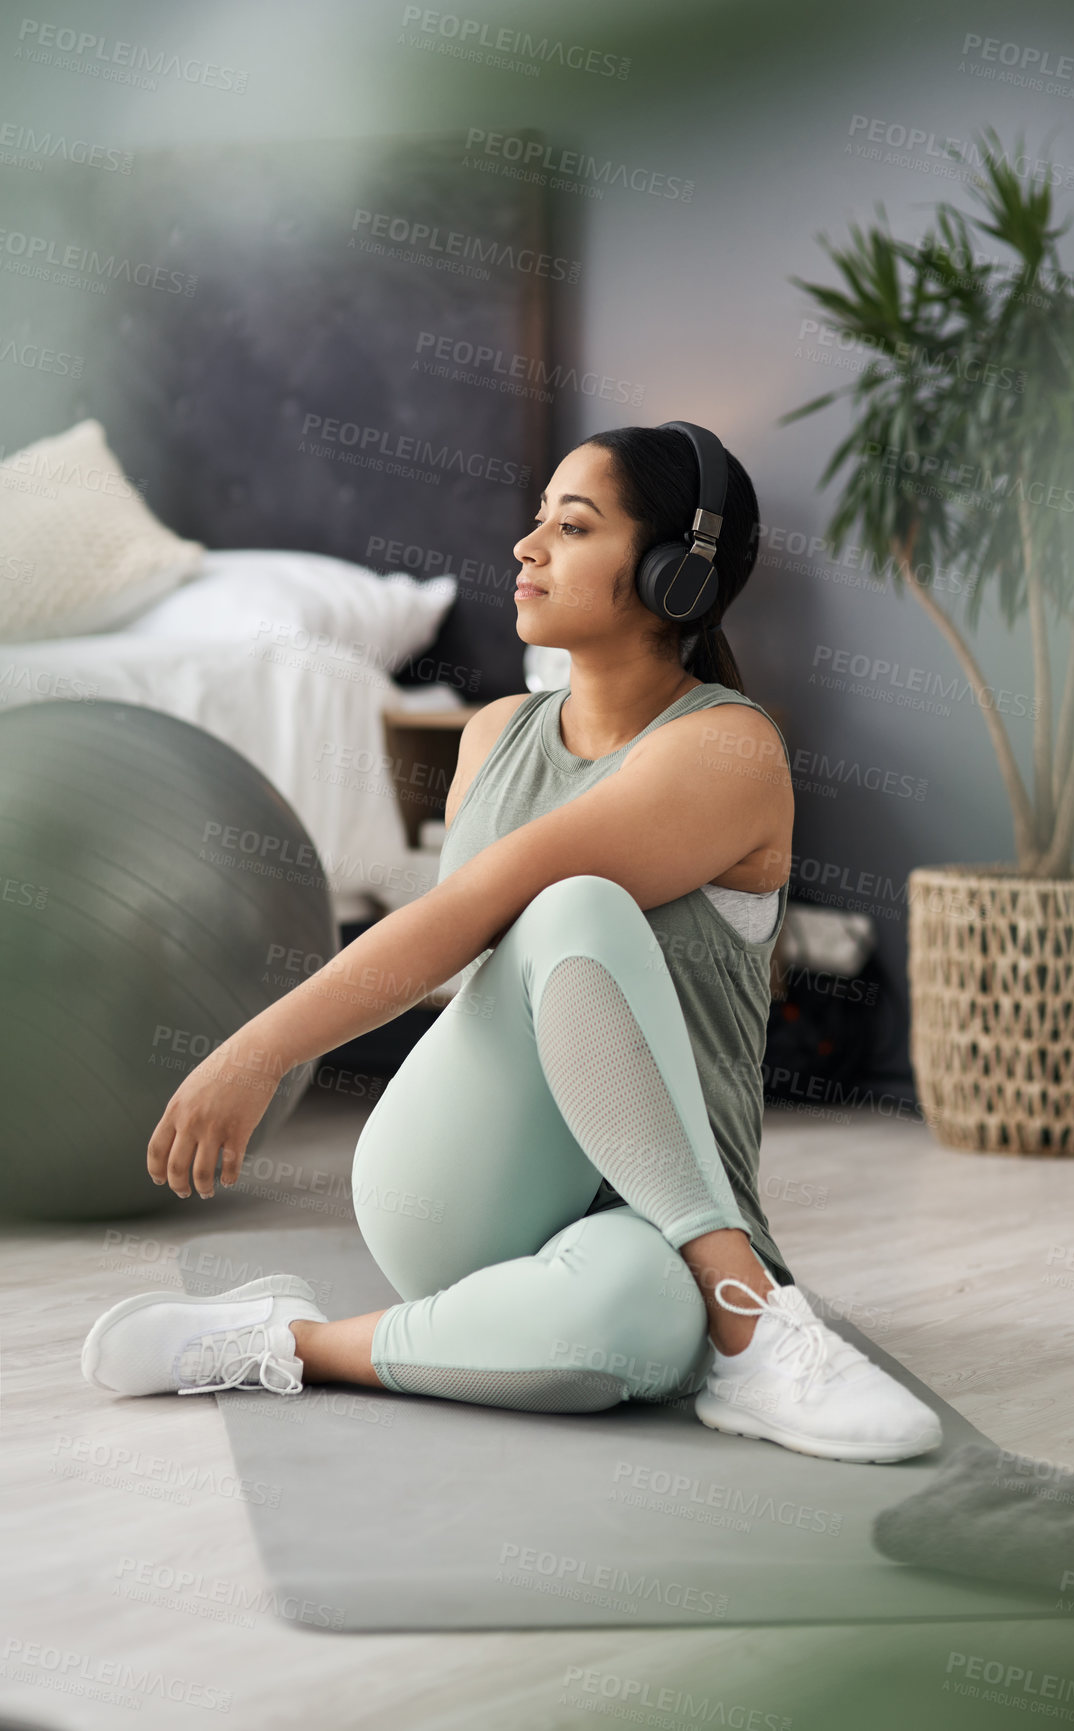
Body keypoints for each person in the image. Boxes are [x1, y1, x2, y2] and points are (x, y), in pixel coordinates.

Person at [81, 424, 941, 1464]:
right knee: (572, 904)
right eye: (536, 519)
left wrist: (263, 1047)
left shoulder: (726, 744)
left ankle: (288, 1343)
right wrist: (258, 1048)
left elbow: (477, 902)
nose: (527, 546)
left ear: (675, 576)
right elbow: (462, 947)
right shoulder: (494, 735)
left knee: (638, 1329)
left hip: (645, 1215)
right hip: (461, 1186)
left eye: (572, 527)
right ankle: (748, 1312)